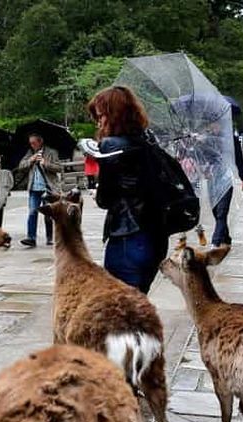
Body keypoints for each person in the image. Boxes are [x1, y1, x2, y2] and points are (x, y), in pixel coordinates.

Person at [88, 86, 166, 294]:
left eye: (101, 116)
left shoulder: (110, 146)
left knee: (120, 305)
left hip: (127, 235)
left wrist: (99, 190)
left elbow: (105, 199)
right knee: (138, 301)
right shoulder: (149, 141)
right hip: (155, 237)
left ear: (114, 115)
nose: (99, 122)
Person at [18, 133, 62, 247]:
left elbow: (59, 168)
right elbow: (21, 166)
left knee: (49, 214)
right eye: (30, 143)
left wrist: (46, 163)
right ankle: (31, 238)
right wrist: (31, 160)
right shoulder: (30, 153)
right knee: (32, 212)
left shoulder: (51, 152)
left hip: (48, 188)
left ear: (40, 141)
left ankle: (50, 237)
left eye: (34, 143)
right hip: (34, 188)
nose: (32, 145)